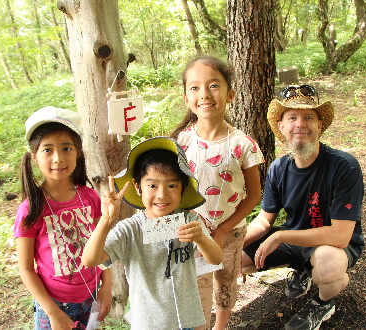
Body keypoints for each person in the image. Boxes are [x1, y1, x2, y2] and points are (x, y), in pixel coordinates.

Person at [241, 85, 365, 330]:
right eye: (292, 118)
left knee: (328, 265)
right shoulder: (278, 168)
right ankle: (303, 270)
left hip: (330, 245)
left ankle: (322, 303)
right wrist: (233, 241)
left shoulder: (344, 166)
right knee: (232, 258)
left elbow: (340, 235)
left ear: (319, 125)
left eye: (308, 117)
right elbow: (265, 220)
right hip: (295, 239)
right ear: (282, 127)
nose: (300, 124)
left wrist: (280, 236)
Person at [82, 136, 223, 330]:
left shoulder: (190, 221)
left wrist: (200, 239)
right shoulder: (129, 230)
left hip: (185, 322)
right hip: (147, 324)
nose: (162, 194)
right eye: (152, 185)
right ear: (138, 187)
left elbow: (215, 258)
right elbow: (89, 260)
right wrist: (106, 221)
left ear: (183, 189)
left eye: (172, 185)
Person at [171, 56, 264, 330]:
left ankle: (220, 327)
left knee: (225, 281)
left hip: (231, 232)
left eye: (213, 86)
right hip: (192, 234)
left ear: (230, 94)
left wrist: (223, 230)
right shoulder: (181, 142)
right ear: (186, 98)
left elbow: (254, 196)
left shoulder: (243, 144)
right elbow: (171, 189)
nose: (205, 95)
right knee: (197, 288)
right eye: (195, 88)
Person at [14, 107, 112, 330]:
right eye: (48, 150)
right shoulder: (31, 209)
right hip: (54, 305)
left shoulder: (89, 197)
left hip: (91, 296)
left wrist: (106, 286)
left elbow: (103, 246)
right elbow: (26, 269)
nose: (58, 158)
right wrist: (52, 312)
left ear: (77, 152)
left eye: (66, 148)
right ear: (35, 157)